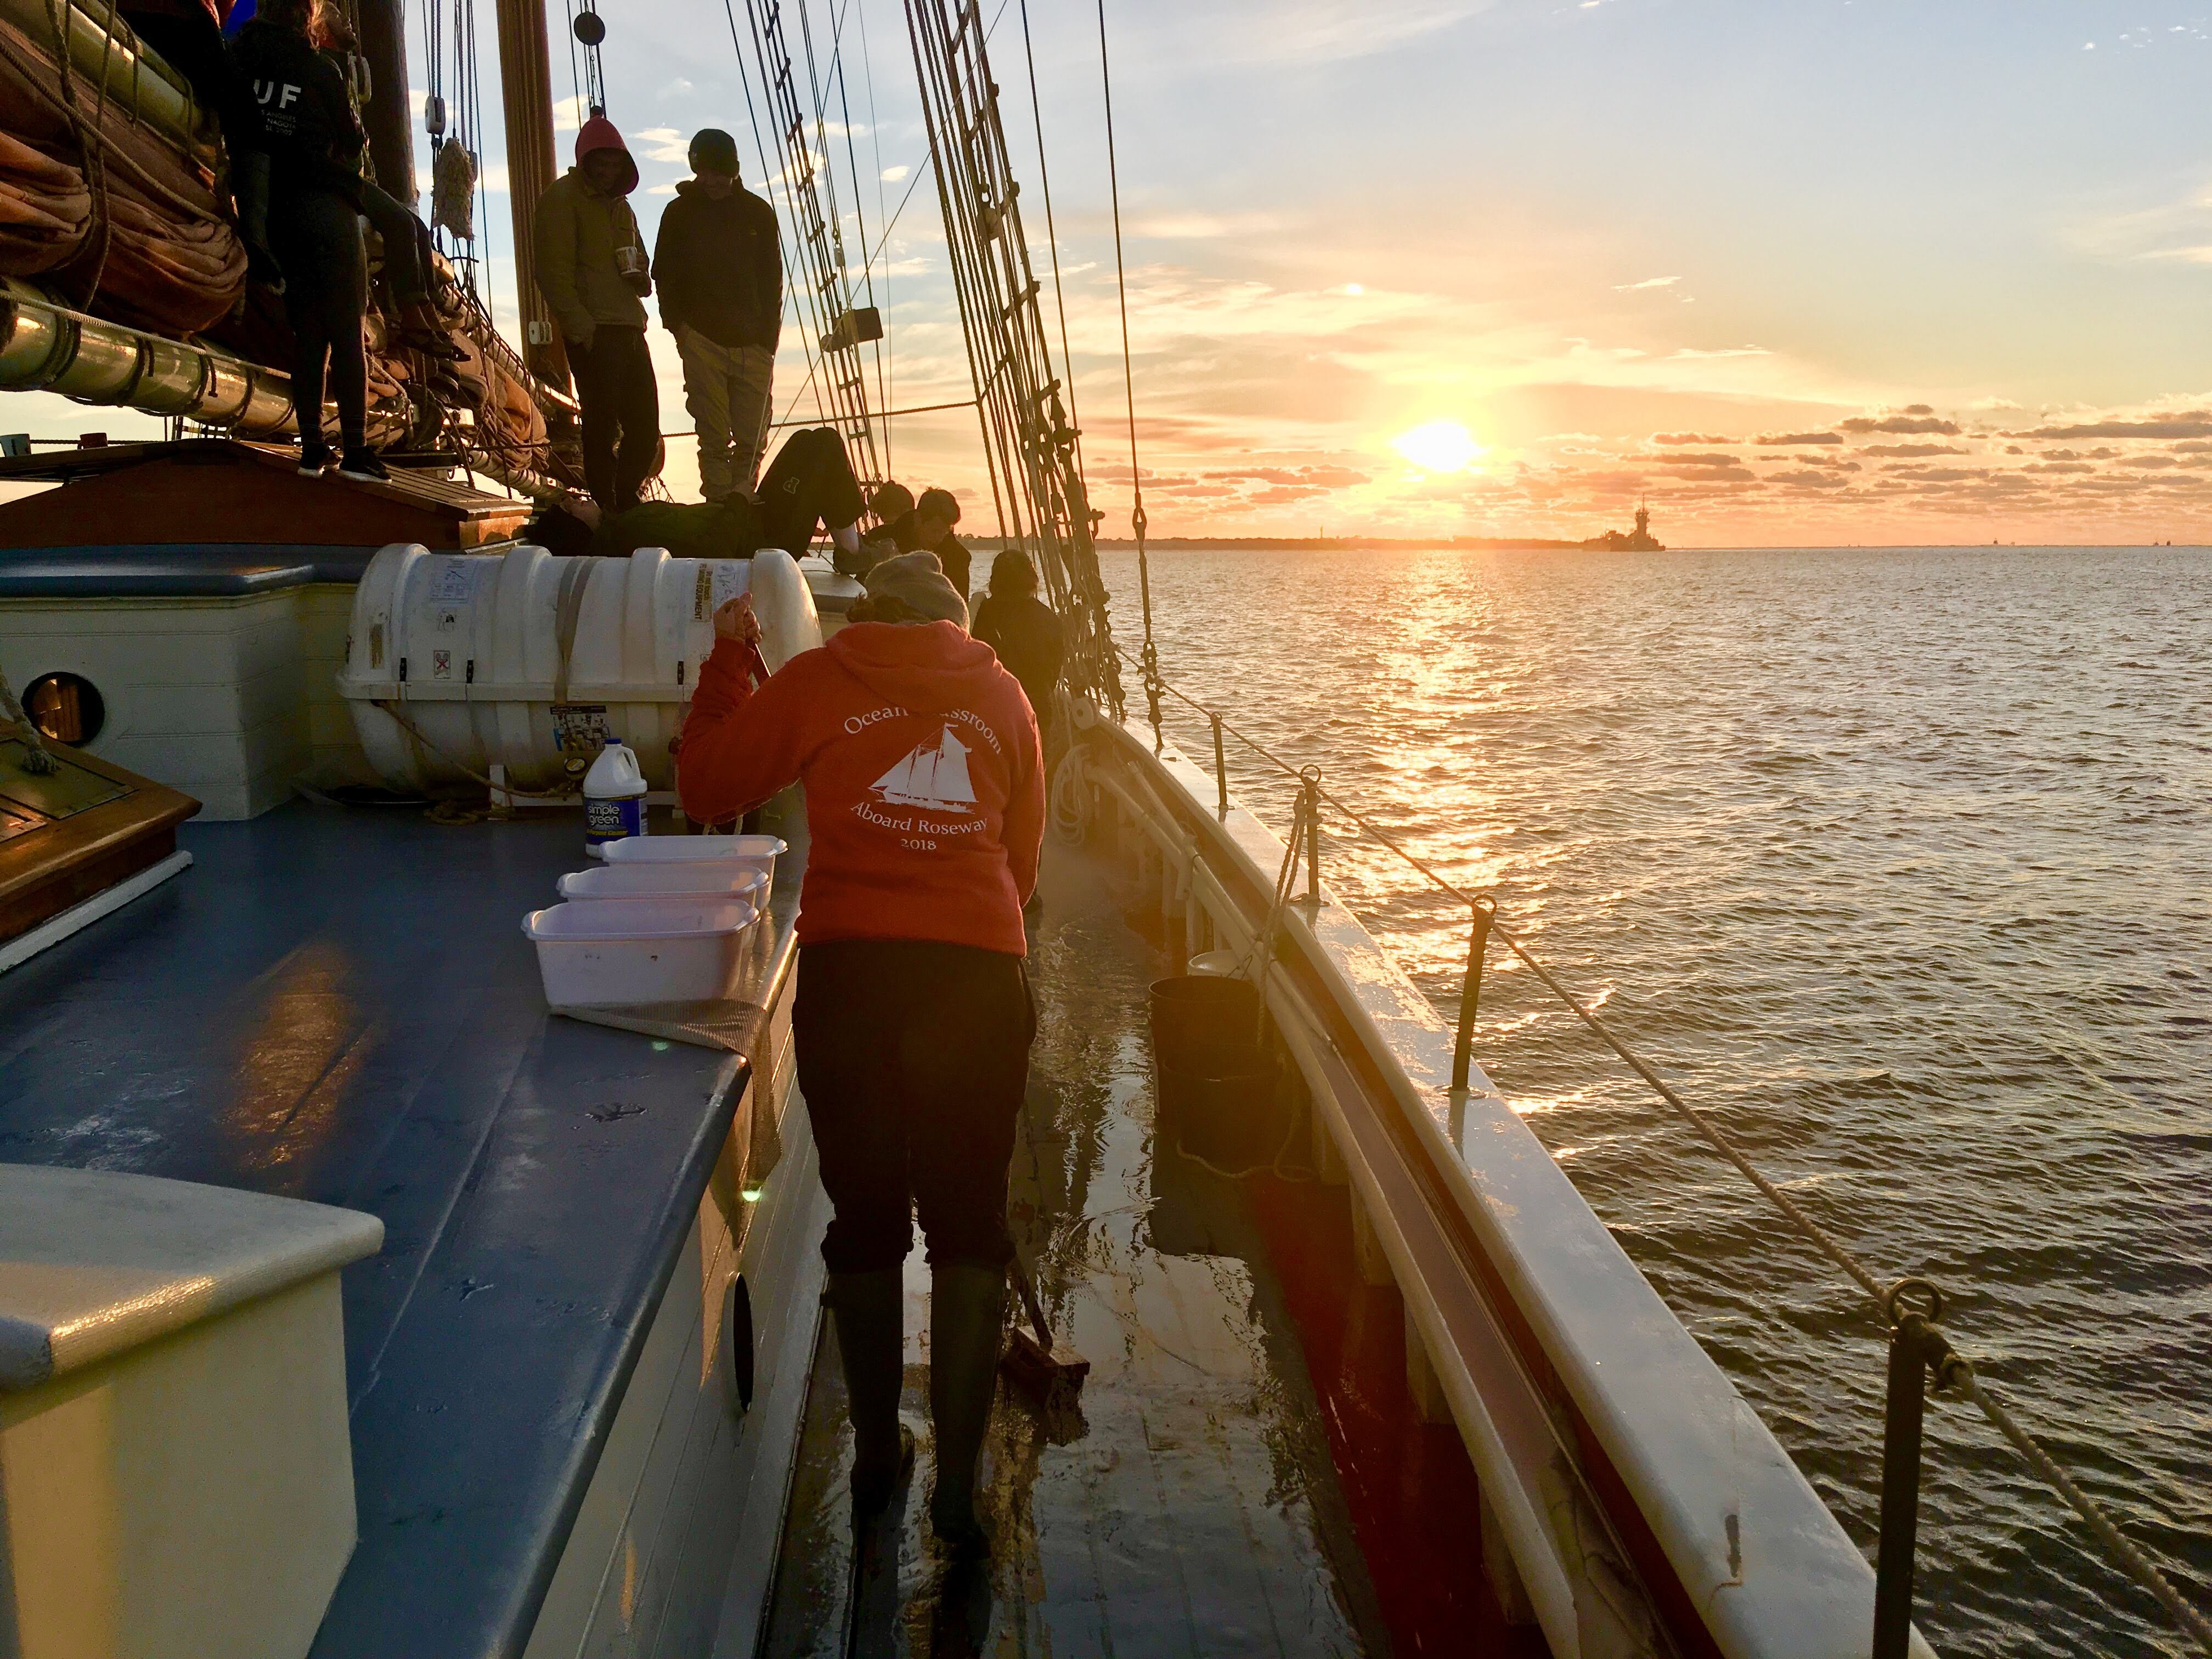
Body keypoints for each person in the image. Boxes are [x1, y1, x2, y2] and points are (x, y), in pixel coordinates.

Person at [675, 552, 1043, 1551]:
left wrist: (727, 666)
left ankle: (878, 1454)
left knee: (867, 1215)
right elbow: (1022, 858)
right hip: (975, 980)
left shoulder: (820, 680)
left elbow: (705, 782)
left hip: (855, 983)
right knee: (970, 1222)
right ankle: (959, 1491)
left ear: (870, 616)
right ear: (955, 624)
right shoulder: (1004, 695)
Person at [231, 0, 384, 479]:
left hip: (275, 213)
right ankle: (356, 451)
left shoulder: (242, 56)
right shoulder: (318, 70)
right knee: (346, 330)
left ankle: (313, 446)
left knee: (309, 336)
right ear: (307, 17)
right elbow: (352, 141)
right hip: (325, 206)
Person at [535, 115, 657, 514]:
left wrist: (642, 276)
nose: (608, 173)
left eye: (615, 165)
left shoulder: (623, 209)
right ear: (585, 162)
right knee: (600, 426)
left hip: (629, 326)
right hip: (594, 332)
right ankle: (608, 504)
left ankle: (623, 498)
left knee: (645, 429)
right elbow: (552, 274)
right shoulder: (561, 199)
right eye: (601, 165)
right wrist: (584, 332)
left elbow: (641, 262)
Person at [653, 129, 780, 503]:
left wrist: (767, 342)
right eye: (703, 171)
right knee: (713, 436)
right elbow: (664, 274)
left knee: (752, 439)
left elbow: (772, 281)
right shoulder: (679, 214)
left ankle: (740, 502)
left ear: (733, 171)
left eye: (718, 172)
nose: (710, 180)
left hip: (754, 345)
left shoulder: (758, 213)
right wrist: (680, 330)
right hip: (702, 340)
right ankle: (718, 507)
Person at [581, 425, 866, 560]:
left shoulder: (625, 527)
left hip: (756, 522)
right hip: (766, 542)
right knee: (824, 445)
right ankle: (852, 552)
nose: (575, 501)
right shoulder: (629, 533)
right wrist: (739, 500)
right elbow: (713, 549)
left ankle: (849, 544)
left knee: (806, 441)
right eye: (571, 508)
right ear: (580, 525)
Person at [972, 548, 1064, 738]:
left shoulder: (981, 614)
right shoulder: (1048, 618)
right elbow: (1053, 670)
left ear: (995, 580)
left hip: (991, 709)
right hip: (1035, 706)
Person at [873, 485, 972, 599]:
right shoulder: (882, 541)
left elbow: (960, 606)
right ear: (918, 519)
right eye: (935, 531)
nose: (939, 538)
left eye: (944, 533)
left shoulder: (958, 558)